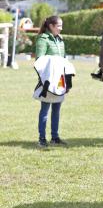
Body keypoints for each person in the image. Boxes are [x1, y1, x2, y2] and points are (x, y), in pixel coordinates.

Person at [35, 16, 68, 147]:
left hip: (60, 79)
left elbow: (64, 60)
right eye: (59, 26)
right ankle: (42, 138)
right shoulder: (43, 39)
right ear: (51, 26)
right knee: (45, 109)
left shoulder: (60, 40)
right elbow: (39, 60)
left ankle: (55, 137)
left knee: (57, 109)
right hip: (48, 80)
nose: (61, 28)